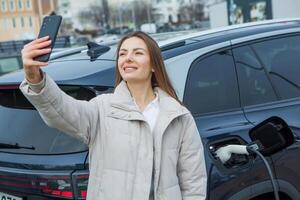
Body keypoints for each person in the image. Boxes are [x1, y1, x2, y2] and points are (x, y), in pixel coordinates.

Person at [20, 31, 207, 200]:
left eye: (138, 53)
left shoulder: (178, 116)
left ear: (154, 66)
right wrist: (34, 78)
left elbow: (193, 182)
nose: (128, 58)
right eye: (123, 54)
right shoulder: (102, 109)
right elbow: (61, 109)